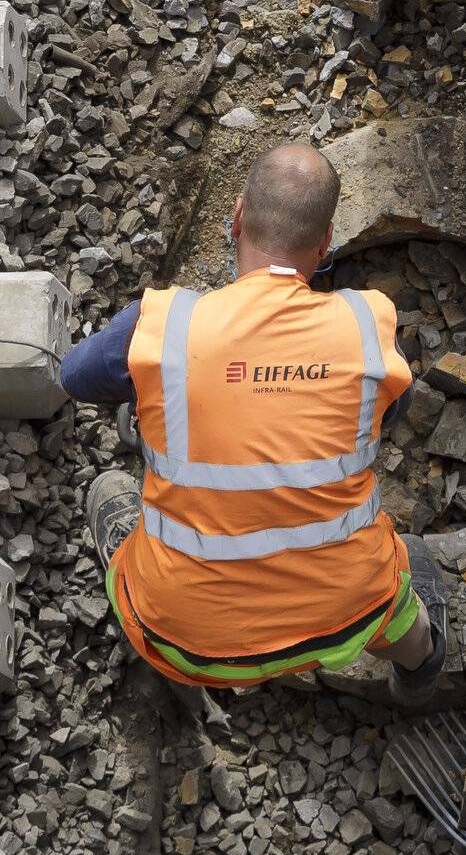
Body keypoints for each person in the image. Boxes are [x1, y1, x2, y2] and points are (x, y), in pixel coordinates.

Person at [66, 141, 441, 704]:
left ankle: (171, 650)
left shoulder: (167, 322)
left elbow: (77, 376)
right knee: (394, 595)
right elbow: (397, 406)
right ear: (325, 242)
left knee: (112, 493)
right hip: (346, 616)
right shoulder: (367, 320)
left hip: (184, 639)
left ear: (237, 216)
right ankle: (421, 665)